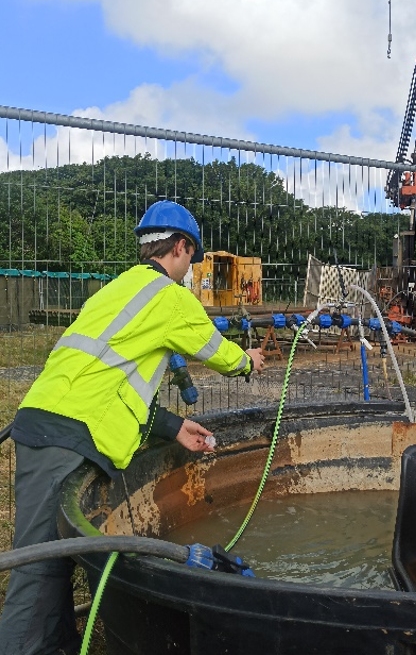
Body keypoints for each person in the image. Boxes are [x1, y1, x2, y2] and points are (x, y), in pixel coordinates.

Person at [0, 200, 265, 655]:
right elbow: (216, 350)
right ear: (180, 247)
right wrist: (248, 362)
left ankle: (57, 644)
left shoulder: (115, 289)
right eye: (191, 258)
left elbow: (111, 383)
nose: (189, 269)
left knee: (56, 560)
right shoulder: (168, 295)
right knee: (39, 569)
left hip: (49, 425)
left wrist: (174, 425)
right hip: (66, 433)